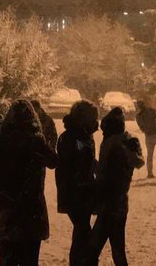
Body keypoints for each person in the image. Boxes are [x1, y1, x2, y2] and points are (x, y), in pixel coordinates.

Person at [0, 99, 58, 266]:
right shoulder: (36, 141)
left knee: (7, 260)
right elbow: (53, 161)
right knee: (29, 260)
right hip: (30, 209)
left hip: (4, 208)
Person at [89, 106, 144, 266]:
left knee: (94, 248)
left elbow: (137, 162)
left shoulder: (122, 142)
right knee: (116, 247)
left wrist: (122, 148)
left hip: (112, 202)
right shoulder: (120, 141)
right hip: (117, 202)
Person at [56, 99, 100, 266]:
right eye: (94, 117)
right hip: (77, 193)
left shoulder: (77, 135)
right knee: (83, 231)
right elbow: (80, 164)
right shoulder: (75, 137)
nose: (97, 121)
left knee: (82, 231)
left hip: (76, 191)